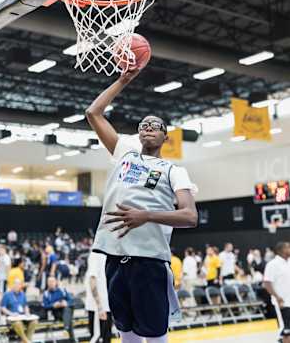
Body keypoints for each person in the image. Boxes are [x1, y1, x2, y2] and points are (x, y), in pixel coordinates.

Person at [86, 68, 198, 343]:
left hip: (149, 262)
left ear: (165, 137)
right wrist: (124, 79)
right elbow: (93, 113)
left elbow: (190, 216)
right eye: (144, 125)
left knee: (155, 334)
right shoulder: (125, 153)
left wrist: (146, 215)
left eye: (156, 126)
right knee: (126, 333)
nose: (149, 128)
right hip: (115, 258)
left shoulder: (174, 170)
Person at [264, 242, 290, 343]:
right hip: (282, 303)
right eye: (288, 247)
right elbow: (267, 283)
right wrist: (277, 297)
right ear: (281, 250)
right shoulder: (272, 264)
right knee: (286, 332)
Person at [85, 251, 111, 343]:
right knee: (96, 339)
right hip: (98, 308)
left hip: (106, 307)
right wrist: (100, 307)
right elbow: (92, 281)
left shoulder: (107, 254)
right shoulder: (96, 254)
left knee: (107, 339)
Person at [1, 278, 37, 343]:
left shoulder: (22, 294)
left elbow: (25, 305)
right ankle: (27, 341)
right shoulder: (7, 294)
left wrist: (27, 312)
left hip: (22, 317)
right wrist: (11, 313)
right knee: (18, 323)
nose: (17, 285)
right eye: (15, 283)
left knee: (34, 322)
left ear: (21, 285)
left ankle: (25, 340)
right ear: (13, 284)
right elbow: (3, 308)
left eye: (18, 284)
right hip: (12, 318)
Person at [42, 276, 76, 342]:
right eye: (49, 282)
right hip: (56, 313)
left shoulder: (62, 290)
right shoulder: (46, 293)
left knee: (67, 309)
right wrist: (53, 305)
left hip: (65, 311)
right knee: (69, 318)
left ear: (56, 282)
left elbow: (71, 301)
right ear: (47, 283)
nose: (51, 283)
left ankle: (66, 328)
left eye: (52, 281)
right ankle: (67, 330)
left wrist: (66, 303)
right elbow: (45, 306)